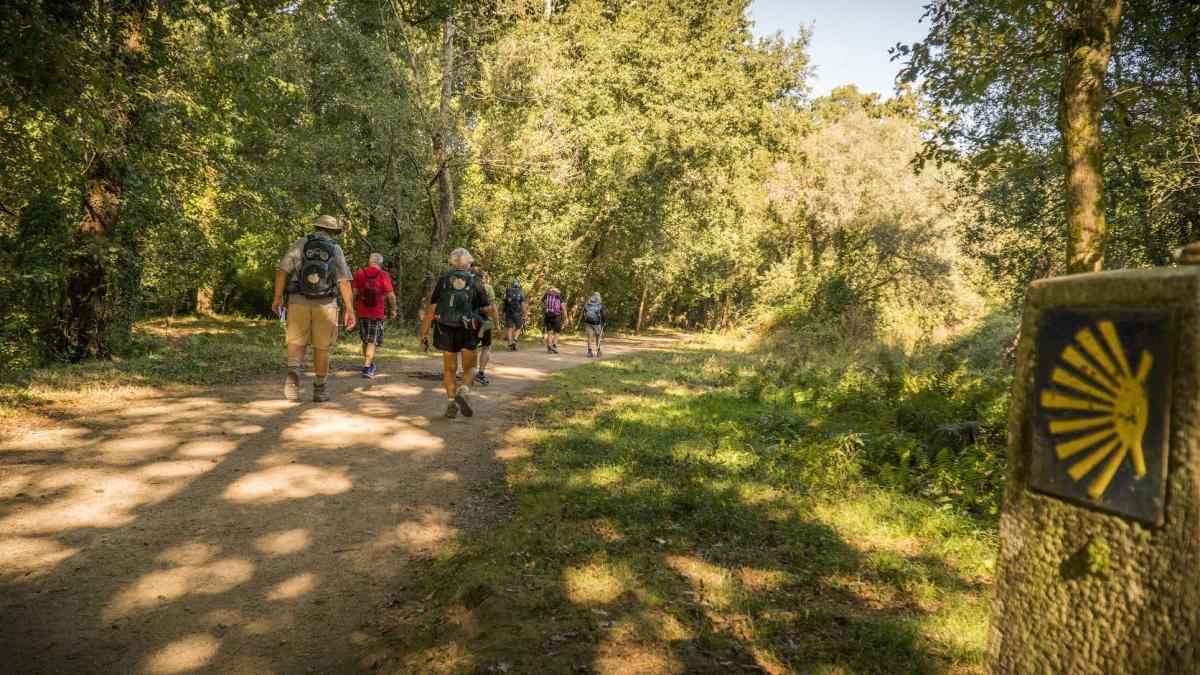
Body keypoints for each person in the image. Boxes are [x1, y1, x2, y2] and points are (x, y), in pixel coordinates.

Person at [272, 215, 356, 402]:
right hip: (326, 304)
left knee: (296, 341)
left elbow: (281, 271)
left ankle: (293, 373)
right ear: (333, 231)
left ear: (316, 227)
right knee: (322, 347)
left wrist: (277, 298)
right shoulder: (335, 249)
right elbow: (344, 282)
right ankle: (319, 389)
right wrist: (350, 310)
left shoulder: (301, 243)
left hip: (298, 300)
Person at [418, 248, 492, 418]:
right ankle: (464, 391)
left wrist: (424, 334)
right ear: (468, 263)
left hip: (445, 329)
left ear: (452, 263)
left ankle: (451, 403)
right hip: (468, 329)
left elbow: (432, 309)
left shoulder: (444, 281)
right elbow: (487, 307)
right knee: (471, 367)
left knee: (449, 369)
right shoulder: (476, 281)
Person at [352, 252, 397, 378]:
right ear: (381, 264)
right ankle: (367, 368)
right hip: (377, 313)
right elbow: (390, 295)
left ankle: (369, 364)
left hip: (362, 312)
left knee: (365, 339)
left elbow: (354, 293)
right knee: (372, 340)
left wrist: (350, 309)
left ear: (369, 261)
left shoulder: (359, 273)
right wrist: (393, 309)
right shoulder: (383, 275)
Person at [468, 263, 500, 385]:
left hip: (467, 321)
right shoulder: (487, 287)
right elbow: (493, 308)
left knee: (470, 347)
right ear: (482, 275)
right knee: (486, 346)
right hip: (484, 322)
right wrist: (497, 325)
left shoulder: (464, 286)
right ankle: (480, 374)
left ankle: (468, 372)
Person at [501, 281, 527, 351]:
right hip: (517, 313)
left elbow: (504, 303)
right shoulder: (520, 294)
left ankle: (509, 346)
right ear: (518, 286)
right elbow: (523, 305)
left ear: (511, 285)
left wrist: (502, 313)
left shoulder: (506, 293)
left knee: (510, 329)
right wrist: (524, 314)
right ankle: (514, 341)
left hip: (508, 313)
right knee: (518, 328)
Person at [582, 292, 606, 358]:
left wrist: (584, 320)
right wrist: (604, 322)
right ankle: (598, 351)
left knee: (589, 337)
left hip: (588, 322)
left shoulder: (588, 302)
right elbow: (603, 313)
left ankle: (589, 352)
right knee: (598, 336)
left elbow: (584, 312)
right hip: (597, 322)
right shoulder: (600, 303)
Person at [542, 287, 564, 354]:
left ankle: (549, 348)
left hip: (547, 316)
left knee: (549, 332)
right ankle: (554, 346)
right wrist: (565, 317)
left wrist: (543, 316)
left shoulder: (546, 296)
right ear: (557, 292)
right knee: (557, 332)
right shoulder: (558, 297)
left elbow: (543, 307)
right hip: (556, 316)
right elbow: (563, 308)